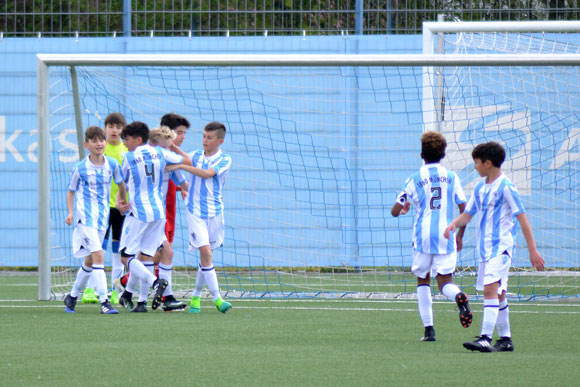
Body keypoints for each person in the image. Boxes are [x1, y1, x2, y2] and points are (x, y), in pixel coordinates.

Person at [444, 141, 545, 352]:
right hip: (485, 250)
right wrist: (454, 224)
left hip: (501, 249)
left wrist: (532, 250)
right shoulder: (481, 187)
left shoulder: (506, 187)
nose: (475, 167)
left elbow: (523, 219)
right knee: (498, 294)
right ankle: (506, 339)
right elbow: (468, 214)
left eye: (477, 163)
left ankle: (485, 337)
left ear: (487, 163)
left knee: (490, 289)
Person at [391, 131, 472, 342]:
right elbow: (465, 209)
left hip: (423, 236)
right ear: (443, 154)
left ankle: (429, 330)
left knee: (422, 279)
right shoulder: (452, 177)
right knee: (445, 281)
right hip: (447, 234)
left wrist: (405, 207)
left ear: (421, 154)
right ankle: (458, 296)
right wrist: (460, 235)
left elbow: (394, 210)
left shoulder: (414, 179)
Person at [116, 121, 191, 312]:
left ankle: (155, 282)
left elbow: (121, 181)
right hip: (159, 211)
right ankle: (141, 302)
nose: (125, 143)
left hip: (139, 212)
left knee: (126, 256)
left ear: (138, 139)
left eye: (127, 139)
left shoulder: (129, 157)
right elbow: (186, 162)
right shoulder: (160, 153)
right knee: (147, 256)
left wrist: (121, 201)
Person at [63, 126, 127, 315]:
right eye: (94, 141)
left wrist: (121, 201)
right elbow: (71, 191)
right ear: (86, 145)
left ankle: (72, 295)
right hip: (85, 218)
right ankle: (104, 301)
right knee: (99, 255)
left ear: (105, 143)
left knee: (91, 259)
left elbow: (121, 183)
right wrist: (70, 212)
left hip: (102, 217)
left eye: (101, 140)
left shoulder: (113, 164)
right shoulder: (80, 167)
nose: (99, 144)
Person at [170, 121, 232, 314]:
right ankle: (217, 298)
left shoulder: (225, 159)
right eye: (204, 136)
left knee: (207, 257)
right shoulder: (196, 155)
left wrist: (181, 165)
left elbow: (206, 174)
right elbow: (183, 159)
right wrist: (169, 144)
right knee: (205, 252)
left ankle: (196, 295)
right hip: (194, 211)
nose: (205, 140)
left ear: (219, 141)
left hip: (215, 212)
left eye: (210, 137)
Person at [141, 126, 189, 311]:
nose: (169, 150)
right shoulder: (158, 156)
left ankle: (157, 298)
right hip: (145, 212)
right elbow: (189, 162)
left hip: (154, 214)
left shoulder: (147, 157)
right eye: (168, 146)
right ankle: (133, 292)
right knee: (138, 255)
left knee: (160, 253)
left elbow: (184, 184)